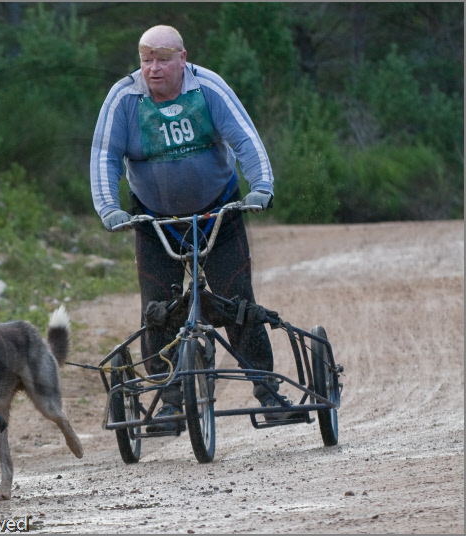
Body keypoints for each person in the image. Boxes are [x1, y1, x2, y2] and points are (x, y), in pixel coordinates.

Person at [90, 25, 299, 432]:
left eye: (163, 59)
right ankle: (170, 403)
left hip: (218, 211)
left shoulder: (209, 89)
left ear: (183, 59)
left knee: (237, 301)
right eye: (146, 59)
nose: (153, 69)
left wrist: (261, 187)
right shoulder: (124, 99)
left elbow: (245, 139)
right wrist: (108, 209)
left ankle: (267, 392)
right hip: (154, 219)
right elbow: (104, 155)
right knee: (158, 310)